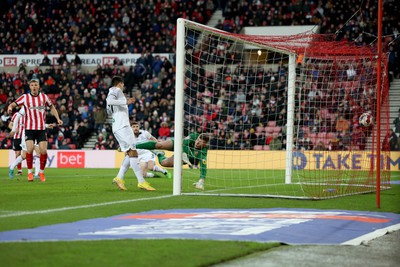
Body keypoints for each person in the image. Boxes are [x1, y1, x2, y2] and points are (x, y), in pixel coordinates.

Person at [7, 78, 63, 182]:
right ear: (30, 87)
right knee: (29, 150)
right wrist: (10, 108)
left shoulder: (43, 97)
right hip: (29, 129)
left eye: (35, 85)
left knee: (43, 151)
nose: (34, 86)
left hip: (41, 129)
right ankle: (30, 173)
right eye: (32, 85)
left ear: (38, 86)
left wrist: (58, 119)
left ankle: (41, 172)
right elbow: (14, 104)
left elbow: (52, 107)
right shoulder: (25, 98)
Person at [106, 75, 154, 191]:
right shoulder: (115, 90)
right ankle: (141, 182)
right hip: (122, 126)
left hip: (117, 126)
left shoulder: (115, 94)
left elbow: (109, 110)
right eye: (122, 84)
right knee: (133, 152)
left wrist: (124, 103)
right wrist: (125, 101)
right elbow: (109, 101)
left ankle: (119, 178)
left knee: (130, 152)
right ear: (120, 83)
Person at [136, 132, 210, 190]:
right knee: (159, 145)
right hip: (178, 144)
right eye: (198, 140)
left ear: (205, 144)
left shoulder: (203, 152)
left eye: (200, 142)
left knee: (163, 163)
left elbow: (203, 166)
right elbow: (184, 143)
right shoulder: (194, 136)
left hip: (183, 158)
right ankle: (135, 146)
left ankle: (159, 154)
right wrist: (183, 153)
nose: (197, 142)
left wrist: (201, 180)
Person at [8, 107, 56, 178]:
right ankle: (11, 168)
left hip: (36, 133)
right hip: (26, 135)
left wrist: (47, 126)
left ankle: (36, 174)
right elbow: (12, 123)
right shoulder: (19, 114)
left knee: (38, 153)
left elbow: (38, 124)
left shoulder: (35, 113)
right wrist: (14, 129)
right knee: (24, 156)